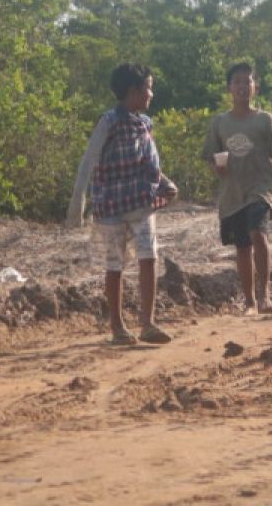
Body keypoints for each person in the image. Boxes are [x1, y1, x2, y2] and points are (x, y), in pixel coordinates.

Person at [66, 62, 178, 345]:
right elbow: (89, 160)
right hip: (112, 206)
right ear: (133, 91)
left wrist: (165, 184)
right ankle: (117, 327)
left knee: (148, 256)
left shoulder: (144, 124)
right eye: (148, 88)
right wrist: (77, 202)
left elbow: (147, 163)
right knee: (114, 264)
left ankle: (148, 323)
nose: (151, 94)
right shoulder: (109, 121)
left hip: (141, 202)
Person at [201, 62, 272, 314]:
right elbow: (210, 156)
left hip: (261, 190)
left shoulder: (265, 120)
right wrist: (217, 167)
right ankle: (249, 301)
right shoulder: (220, 122)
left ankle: (265, 296)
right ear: (229, 87)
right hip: (233, 193)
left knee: (259, 235)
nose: (242, 86)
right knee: (242, 247)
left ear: (255, 86)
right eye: (237, 81)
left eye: (247, 81)